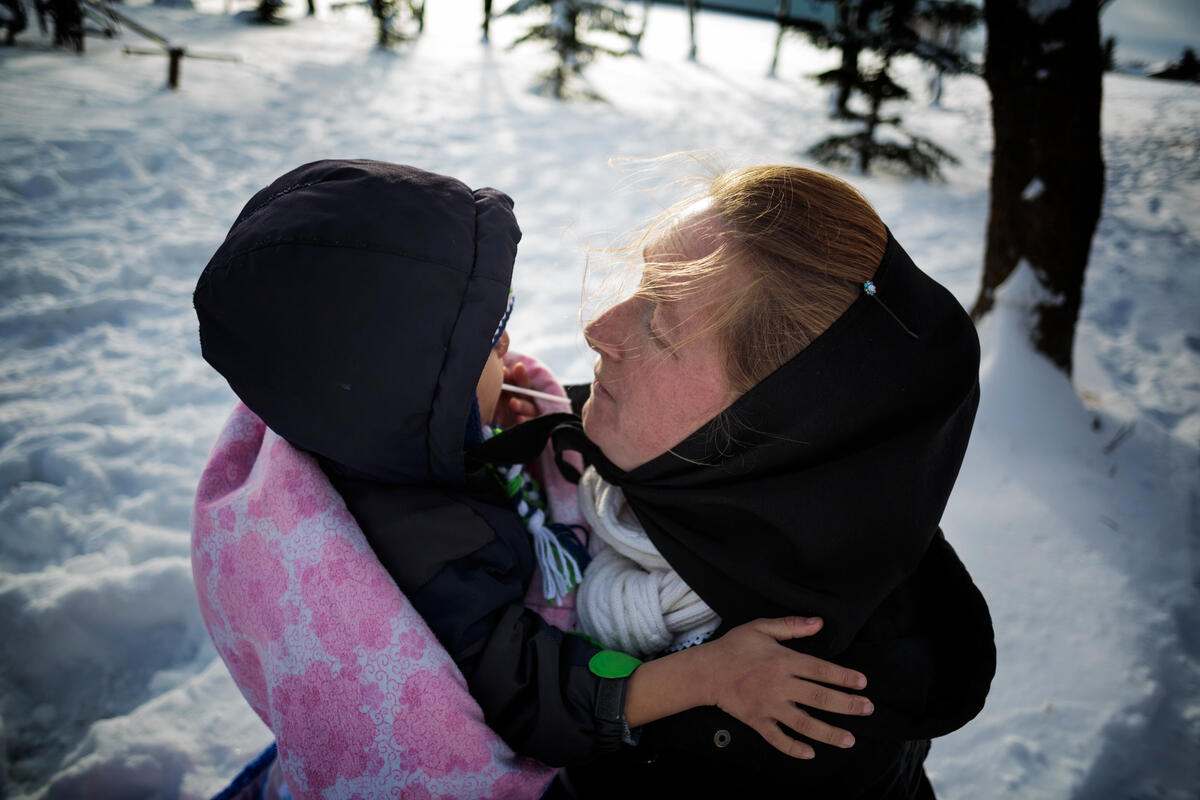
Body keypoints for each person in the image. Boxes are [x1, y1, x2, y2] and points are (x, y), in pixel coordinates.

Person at [192, 159, 876, 798]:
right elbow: (531, 687)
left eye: (502, 322)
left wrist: (469, 414)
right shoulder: (427, 544)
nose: (511, 350)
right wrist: (692, 678)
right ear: (410, 394)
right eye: (489, 339)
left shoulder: (368, 435)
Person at [477, 164, 995, 797]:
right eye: (642, 284)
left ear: (763, 437)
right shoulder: (597, 448)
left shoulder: (802, 721)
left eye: (659, 330)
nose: (598, 329)